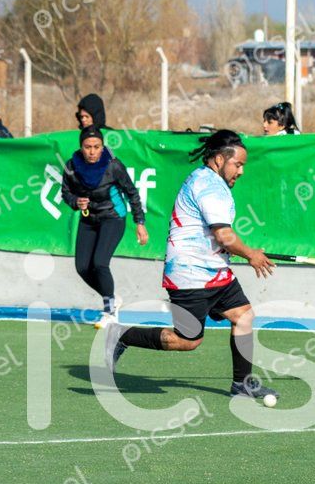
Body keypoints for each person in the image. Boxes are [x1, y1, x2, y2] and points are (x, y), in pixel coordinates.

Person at [105, 129, 278, 402]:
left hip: (214, 270)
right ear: (220, 160)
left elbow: (216, 236)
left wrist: (243, 252)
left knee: (243, 316)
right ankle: (122, 335)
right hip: (190, 274)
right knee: (188, 340)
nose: (241, 171)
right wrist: (251, 255)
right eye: (238, 164)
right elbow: (224, 235)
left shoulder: (209, 181)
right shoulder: (208, 186)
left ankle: (242, 385)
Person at [61, 125, 148, 325]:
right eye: (87, 147)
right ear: (81, 147)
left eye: (97, 147)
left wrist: (140, 223)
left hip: (113, 217)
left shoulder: (113, 165)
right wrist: (76, 202)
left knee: (100, 263)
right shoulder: (71, 166)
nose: (92, 152)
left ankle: (110, 311)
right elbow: (66, 193)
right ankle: (112, 297)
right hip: (88, 219)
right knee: (82, 267)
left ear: (102, 147)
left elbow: (132, 193)